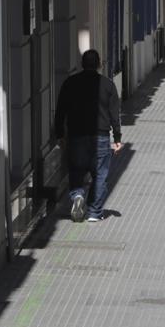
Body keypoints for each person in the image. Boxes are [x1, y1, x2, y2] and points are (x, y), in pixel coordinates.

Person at [54, 49, 121, 223]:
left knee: (76, 170)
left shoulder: (70, 83)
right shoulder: (108, 85)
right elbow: (114, 113)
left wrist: (59, 133)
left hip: (76, 136)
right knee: (100, 174)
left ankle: (77, 195)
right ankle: (94, 212)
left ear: (82, 64)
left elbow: (61, 110)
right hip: (101, 136)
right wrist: (118, 138)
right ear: (99, 64)